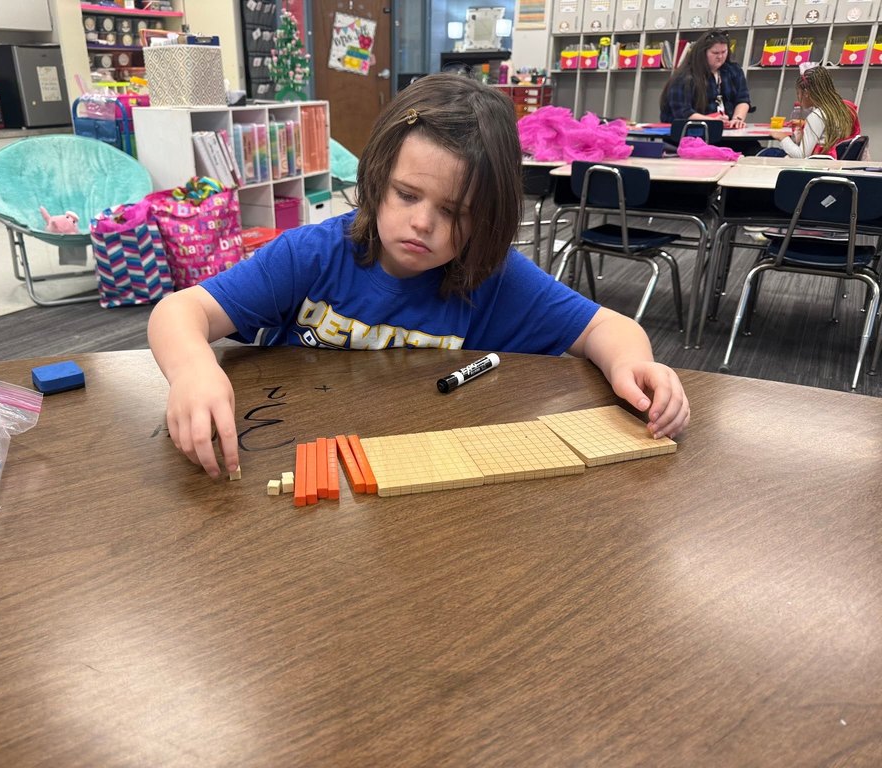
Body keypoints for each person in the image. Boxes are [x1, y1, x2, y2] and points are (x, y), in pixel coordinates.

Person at [148, 73, 691, 477]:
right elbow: (178, 310)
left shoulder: (494, 278)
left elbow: (609, 329)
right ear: (378, 179)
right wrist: (195, 368)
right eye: (407, 195)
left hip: (427, 478)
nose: (422, 223)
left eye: (453, 212)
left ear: (489, 219)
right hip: (292, 459)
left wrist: (636, 366)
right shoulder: (311, 254)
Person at [660, 29, 751, 129]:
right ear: (703, 53)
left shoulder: (734, 70)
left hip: (724, 130)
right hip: (691, 131)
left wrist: (737, 120)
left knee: (753, 144)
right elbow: (683, 112)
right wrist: (712, 121)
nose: (720, 56)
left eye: (724, 52)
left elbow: (743, 99)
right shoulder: (684, 77)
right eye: (715, 53)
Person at [768, 65, 859, 158]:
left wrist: (782, 137)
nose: (798, 98)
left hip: (816, 166)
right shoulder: (844, 108)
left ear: (806, 93)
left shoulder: (817, 116)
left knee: (768, 153)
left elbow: (801, 155)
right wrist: (806, 124)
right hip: (835, 165)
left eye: (798, 93)